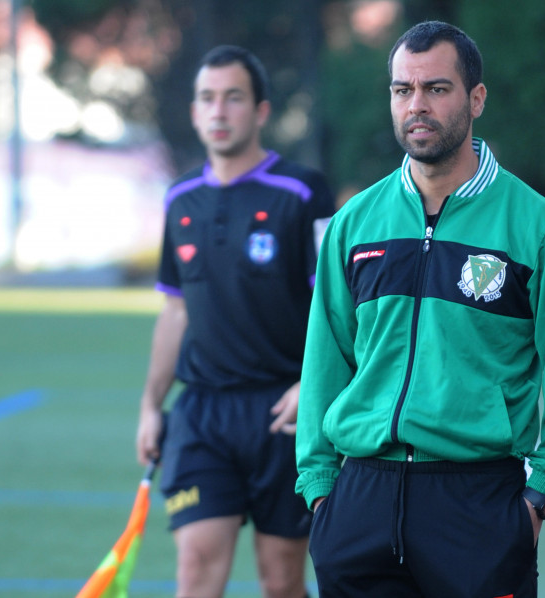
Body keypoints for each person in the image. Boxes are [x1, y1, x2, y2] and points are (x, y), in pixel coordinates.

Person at [295, 21, 545, 598]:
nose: (417, 105)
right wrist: (321, 487)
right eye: (402, 90)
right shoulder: (354, 224)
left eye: (436, 89)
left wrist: (540, 496)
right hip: (359, 500)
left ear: (476, 98)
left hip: (477, 504)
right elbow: (325, 361)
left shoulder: (539, 228)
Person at [136, 44, 335, 598]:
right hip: (201, 413)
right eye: (207, 99)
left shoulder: (303, 191)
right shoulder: (180, 199)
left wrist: (312, 385)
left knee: (280, 579)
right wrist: (152, 406)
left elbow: (335, 306)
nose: (219, 111)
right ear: (195, 111)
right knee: (195, 567)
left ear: (261, 111)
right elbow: (175, 309)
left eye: (233, 98)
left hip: (282, 415)